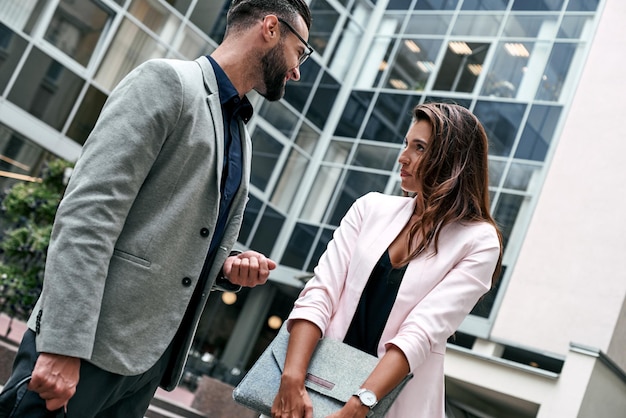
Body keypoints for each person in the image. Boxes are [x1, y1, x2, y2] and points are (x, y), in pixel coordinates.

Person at [0, 0, 313, 417]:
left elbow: (173, 230)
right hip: (83, 349)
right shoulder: (165, 82)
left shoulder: (241, 134)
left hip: (146, 369)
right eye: (301, 51)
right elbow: (88, 214)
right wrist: (61, 347)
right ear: (271, 28)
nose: (296, 70)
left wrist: (226, 264)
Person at [270, 103, 503, 418]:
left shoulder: (478, 241)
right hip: (312, 388)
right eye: (406, 144)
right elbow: (320, 292)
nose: (403, 156)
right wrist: (292, 377)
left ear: (453, 161)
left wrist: (360, 403)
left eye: (419, 148)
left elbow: (422, 331)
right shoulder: (370, 208)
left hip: (389, 403)